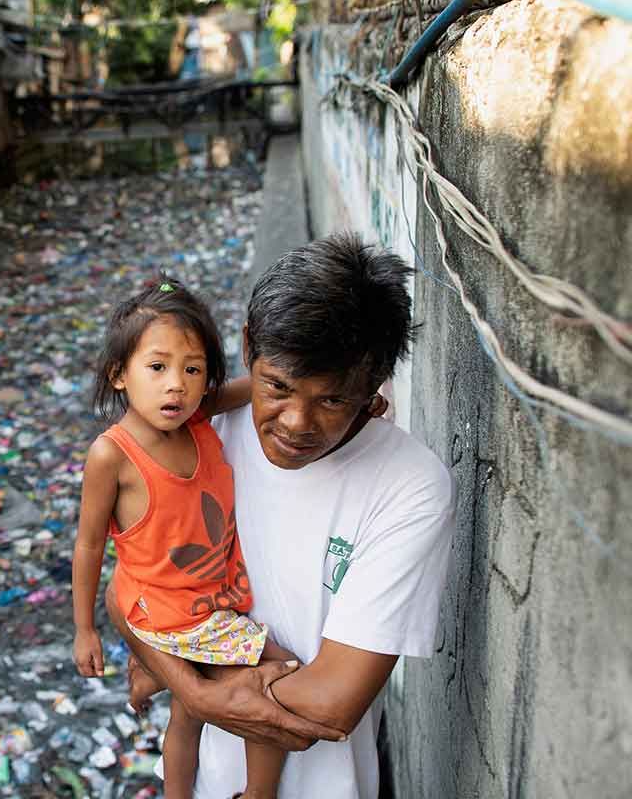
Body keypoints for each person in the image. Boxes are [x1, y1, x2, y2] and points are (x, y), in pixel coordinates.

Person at [104, 233, 455, 798]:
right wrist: (189, 688)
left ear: (375, 386)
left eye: (333, 400)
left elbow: (332, 701)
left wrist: (187, 683)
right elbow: (123, 593)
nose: (296, 422)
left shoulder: (409, 487)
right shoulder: (199, 436)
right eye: (277, 387)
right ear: (248, 349)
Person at [72, 276, 297, 799]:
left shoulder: (195, 417)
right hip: (177, 614)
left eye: (192, 369)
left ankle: (175, 786)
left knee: (186, 716)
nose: (175, 383)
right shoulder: (114, 455)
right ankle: (260, 795)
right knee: (279, 679)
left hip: (192, 602)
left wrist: (336, 397)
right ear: (119, 375)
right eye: (157, 367)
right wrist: (85, 630)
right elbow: (87, 546)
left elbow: (261, 387)